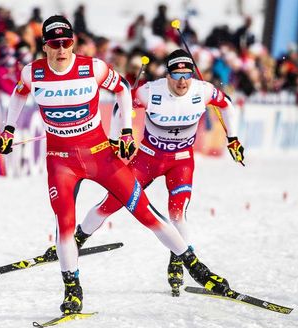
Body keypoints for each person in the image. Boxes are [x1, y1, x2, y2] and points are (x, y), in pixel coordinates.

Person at [0, 15, 233, 315]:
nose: (61, 49)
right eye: (54, 44)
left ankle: (196, 268)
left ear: (73, 43)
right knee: (64, 224)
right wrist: (8, 129)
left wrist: (124, 131)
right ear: (45, 46)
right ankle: (73, 288)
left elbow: (122, 89)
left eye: (66, 42)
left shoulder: (92, 68)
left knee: (145, 211)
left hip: (100, 156)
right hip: (61, 162)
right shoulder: (33, 74)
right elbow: (18, 94)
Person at [76, 49, 245, 296]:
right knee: (111, 203)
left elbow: (227, 105)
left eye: (187, 75)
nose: (182, 81)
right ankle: (78, 238)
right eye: (176, 75)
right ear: (167, 75)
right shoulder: (149, 91)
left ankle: (177, 259)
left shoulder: (202, 90)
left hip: (181, 162)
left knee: (177, 214)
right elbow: (118, 105)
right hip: (147, 160)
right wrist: (116, 139)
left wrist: (233, 138)